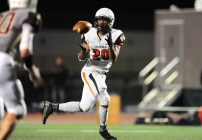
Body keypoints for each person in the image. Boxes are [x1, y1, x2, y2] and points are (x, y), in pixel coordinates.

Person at [42, 7, 125, 140]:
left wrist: (109, 44)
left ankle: (52, 107)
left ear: (110, 22)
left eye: (104, 21)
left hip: (101, 74)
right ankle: (103, 131)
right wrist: (83, 51)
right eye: (99, 20)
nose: (100, 23)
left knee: (84, 106)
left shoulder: (117, 35)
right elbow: (81, 57)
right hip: (90, 70)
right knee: (105, 99)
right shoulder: (88, 33)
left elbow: (113, 59)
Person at [0, 0, 42, 139]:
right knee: (17, 109)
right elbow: (25, 50)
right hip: (2, 60)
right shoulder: (28, 15)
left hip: (4, 59)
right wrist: (32, 72)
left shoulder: (2, 15)